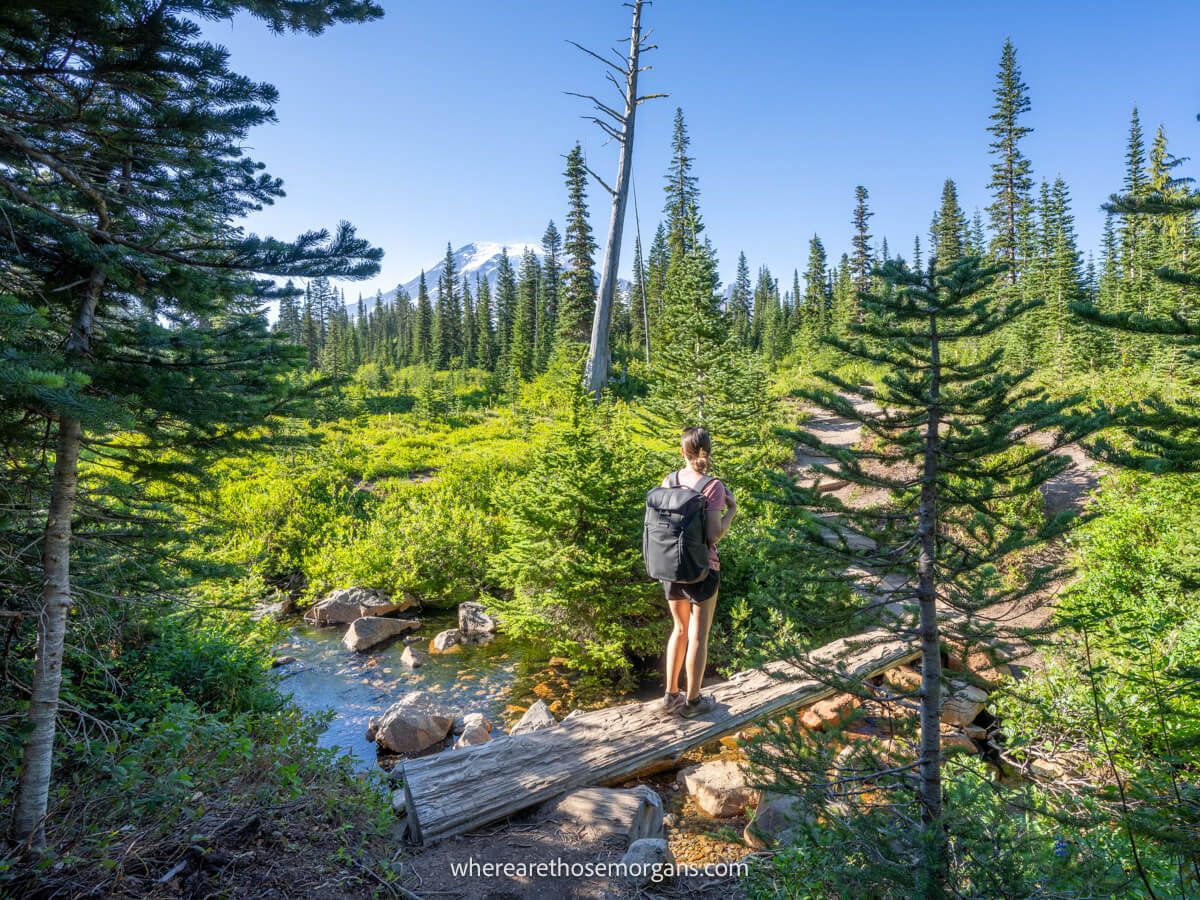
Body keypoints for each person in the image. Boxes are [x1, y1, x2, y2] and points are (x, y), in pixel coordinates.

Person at [660, 426, 737, 717]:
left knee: (678, 630)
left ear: (683, 451)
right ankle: (693, 702)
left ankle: (670, 696)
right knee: (698, 636)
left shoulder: (669, 481)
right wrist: (732, 510)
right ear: (708, 451)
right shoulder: (712, 486)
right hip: (703, 570)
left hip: (670, 568)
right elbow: (713, 535)